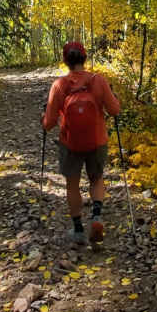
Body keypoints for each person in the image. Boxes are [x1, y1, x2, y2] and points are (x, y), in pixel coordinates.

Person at [42, 41, 121, 245]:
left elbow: (49, 123)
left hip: (71, 144)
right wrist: (115, 99)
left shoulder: (59, 85)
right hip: (97, 141)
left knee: (72, 184)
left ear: (65, 61)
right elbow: (114, 110)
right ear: (84, 58)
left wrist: (44, 119)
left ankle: (77, 229)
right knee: (96, 178)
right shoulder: (98, 80)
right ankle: (96, 215)